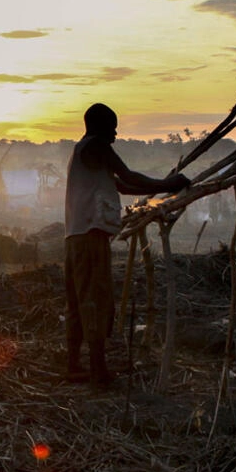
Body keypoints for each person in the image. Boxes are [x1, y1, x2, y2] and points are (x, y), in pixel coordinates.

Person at [64, 103, 190, 384]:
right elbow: (129, 176)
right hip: (90, 235)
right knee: (95, 300)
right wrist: (171, 182)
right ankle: (98, 372)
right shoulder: (96, 146)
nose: (116, 133)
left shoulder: (84, 153)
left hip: (76, 236)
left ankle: (74, 365)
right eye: (112, 126)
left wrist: (163, 187)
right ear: (98, 126)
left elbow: (124, 186)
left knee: (78, 300)